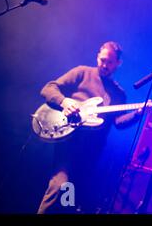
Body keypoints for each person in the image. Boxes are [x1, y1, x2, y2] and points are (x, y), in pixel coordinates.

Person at [37, 41, 142, 214]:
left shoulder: (118, 94)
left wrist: (138, 114)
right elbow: (49, 88)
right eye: (102, 60)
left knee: (73, 200)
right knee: (59, 186)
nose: (104, 65)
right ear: (97, 57)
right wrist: (64, 101)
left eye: (109, 62)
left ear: (118, 64)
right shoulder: (82, 72)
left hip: (91, 151)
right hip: (69, 142)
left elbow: (118, 123)